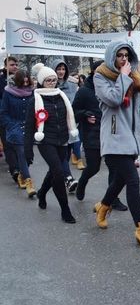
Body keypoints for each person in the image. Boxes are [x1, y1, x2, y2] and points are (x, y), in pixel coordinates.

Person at [93, 41, 140, 249]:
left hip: (130, 140)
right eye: (119, 55)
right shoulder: (101, 76)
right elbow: (113, 99)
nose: (124, 59)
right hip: (114, 140)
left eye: (126, 55)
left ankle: (103, 205)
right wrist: (124, 77)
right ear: (112, 57)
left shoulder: (132, 80)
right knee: (133, 180)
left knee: (120, 181)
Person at [24, 63, 80, 223]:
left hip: (62, 139)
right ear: (42, 81)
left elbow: (69, 116)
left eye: (53, 80)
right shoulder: (35, 99)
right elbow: (29, 128)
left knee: (53, 172)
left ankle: (42, 193)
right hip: (45, 140)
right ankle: (65, 210)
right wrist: (28, 151)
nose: (51, 82)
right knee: (58, 171)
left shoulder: (61, 95)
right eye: (48, 80)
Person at [71, 60, 127, 211]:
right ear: (94, 73)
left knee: (114, 168)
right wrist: (85, 115)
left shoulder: (112, 88)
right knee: (94, 167)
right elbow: (73, 112)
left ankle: (112, 199)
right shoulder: (84, 91)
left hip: (110, 132)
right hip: (92, 134)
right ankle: (82, 183)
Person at [0, 69, 35, 195]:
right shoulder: (8, 93)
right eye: (23, 80)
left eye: (27, 79)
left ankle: (21, 174)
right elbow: (3, 112)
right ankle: (28, 181)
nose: (25, 82)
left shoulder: (32, 92)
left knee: (28, 156)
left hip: (30, 127)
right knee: (21, 152)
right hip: (15, 127)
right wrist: (10, 125)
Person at [51, 59, 82, 197]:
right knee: (62, 154)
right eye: (58, 69)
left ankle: (44, 190)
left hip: (71, 124)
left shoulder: (71, 85)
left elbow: (76, 103)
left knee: (66, 154)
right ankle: (68, 178)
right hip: (56, 125)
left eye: (63, 69)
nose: (61, 72)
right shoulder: (49, 84)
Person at [0, 56, 20, 181]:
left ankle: (20, 166)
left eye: (16, 64)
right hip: (4, 115)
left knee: (18, 142)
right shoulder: (1, 80)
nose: (15, 67)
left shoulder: (20, 79)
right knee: (7, 143)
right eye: (12, 64)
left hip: (17, 115)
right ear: (6, 66)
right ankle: (14, 169)